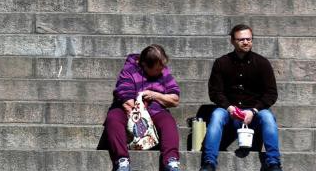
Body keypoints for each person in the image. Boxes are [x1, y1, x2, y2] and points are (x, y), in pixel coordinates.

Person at [201, 24, 283, 171]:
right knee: (217, 116)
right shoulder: (221, 63)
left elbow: (271, 93)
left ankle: (273, 163)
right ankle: (209, 162)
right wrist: (229, 107)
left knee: (269, 118)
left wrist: (254, 110)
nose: (246, 42)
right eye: (241, 39)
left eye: (249, 39)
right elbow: (215, 92)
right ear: (232, 41)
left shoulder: (262, 63)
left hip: (255, 112)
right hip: (229, 111)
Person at [101, 45, 182, 171]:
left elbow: (175, 99)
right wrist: (141, 119)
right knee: (113, 119)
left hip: (155, 109)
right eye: (157, 69)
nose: (161, 71)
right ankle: (122, 161)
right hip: (129, 109)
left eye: (162, 68)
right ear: (144, 65)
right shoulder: (129, 71)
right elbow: (127, 100)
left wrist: (155, 95)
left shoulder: (163, 70)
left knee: (168, 122)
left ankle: (171, 162)